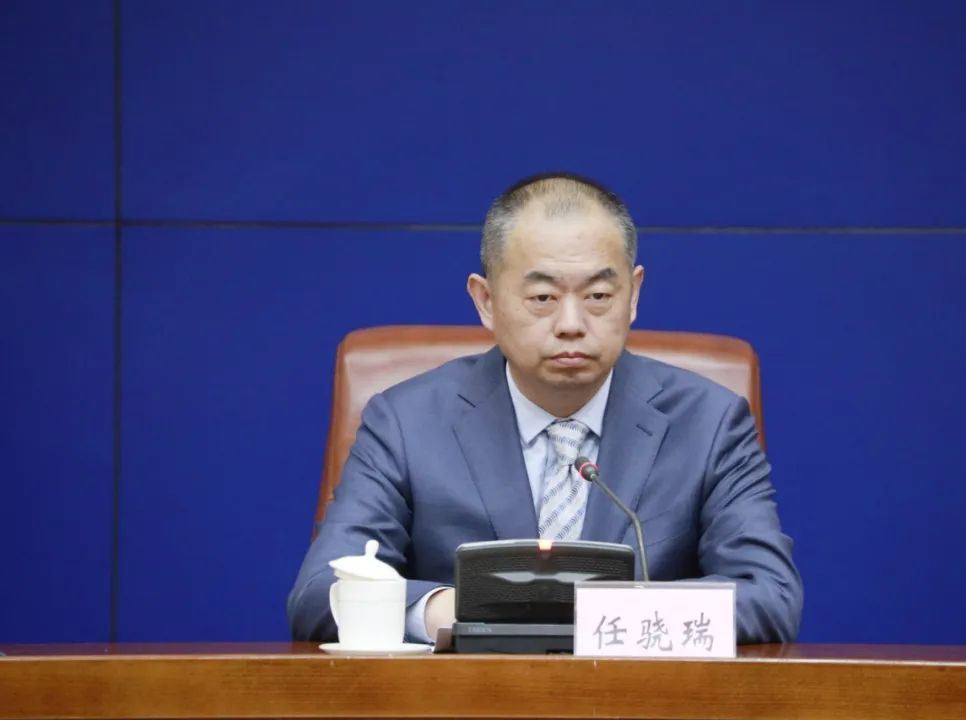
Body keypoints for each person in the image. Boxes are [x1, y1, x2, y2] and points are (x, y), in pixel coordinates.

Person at [288, 173, 803, 644]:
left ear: (633, 295)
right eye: (542, 298)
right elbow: (320, 593)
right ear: (486, 301)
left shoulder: (709, 423)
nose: (571, 324)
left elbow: (770, 595)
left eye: (598, 295)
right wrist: (454, 609)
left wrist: (600, 615)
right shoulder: (405, 422)